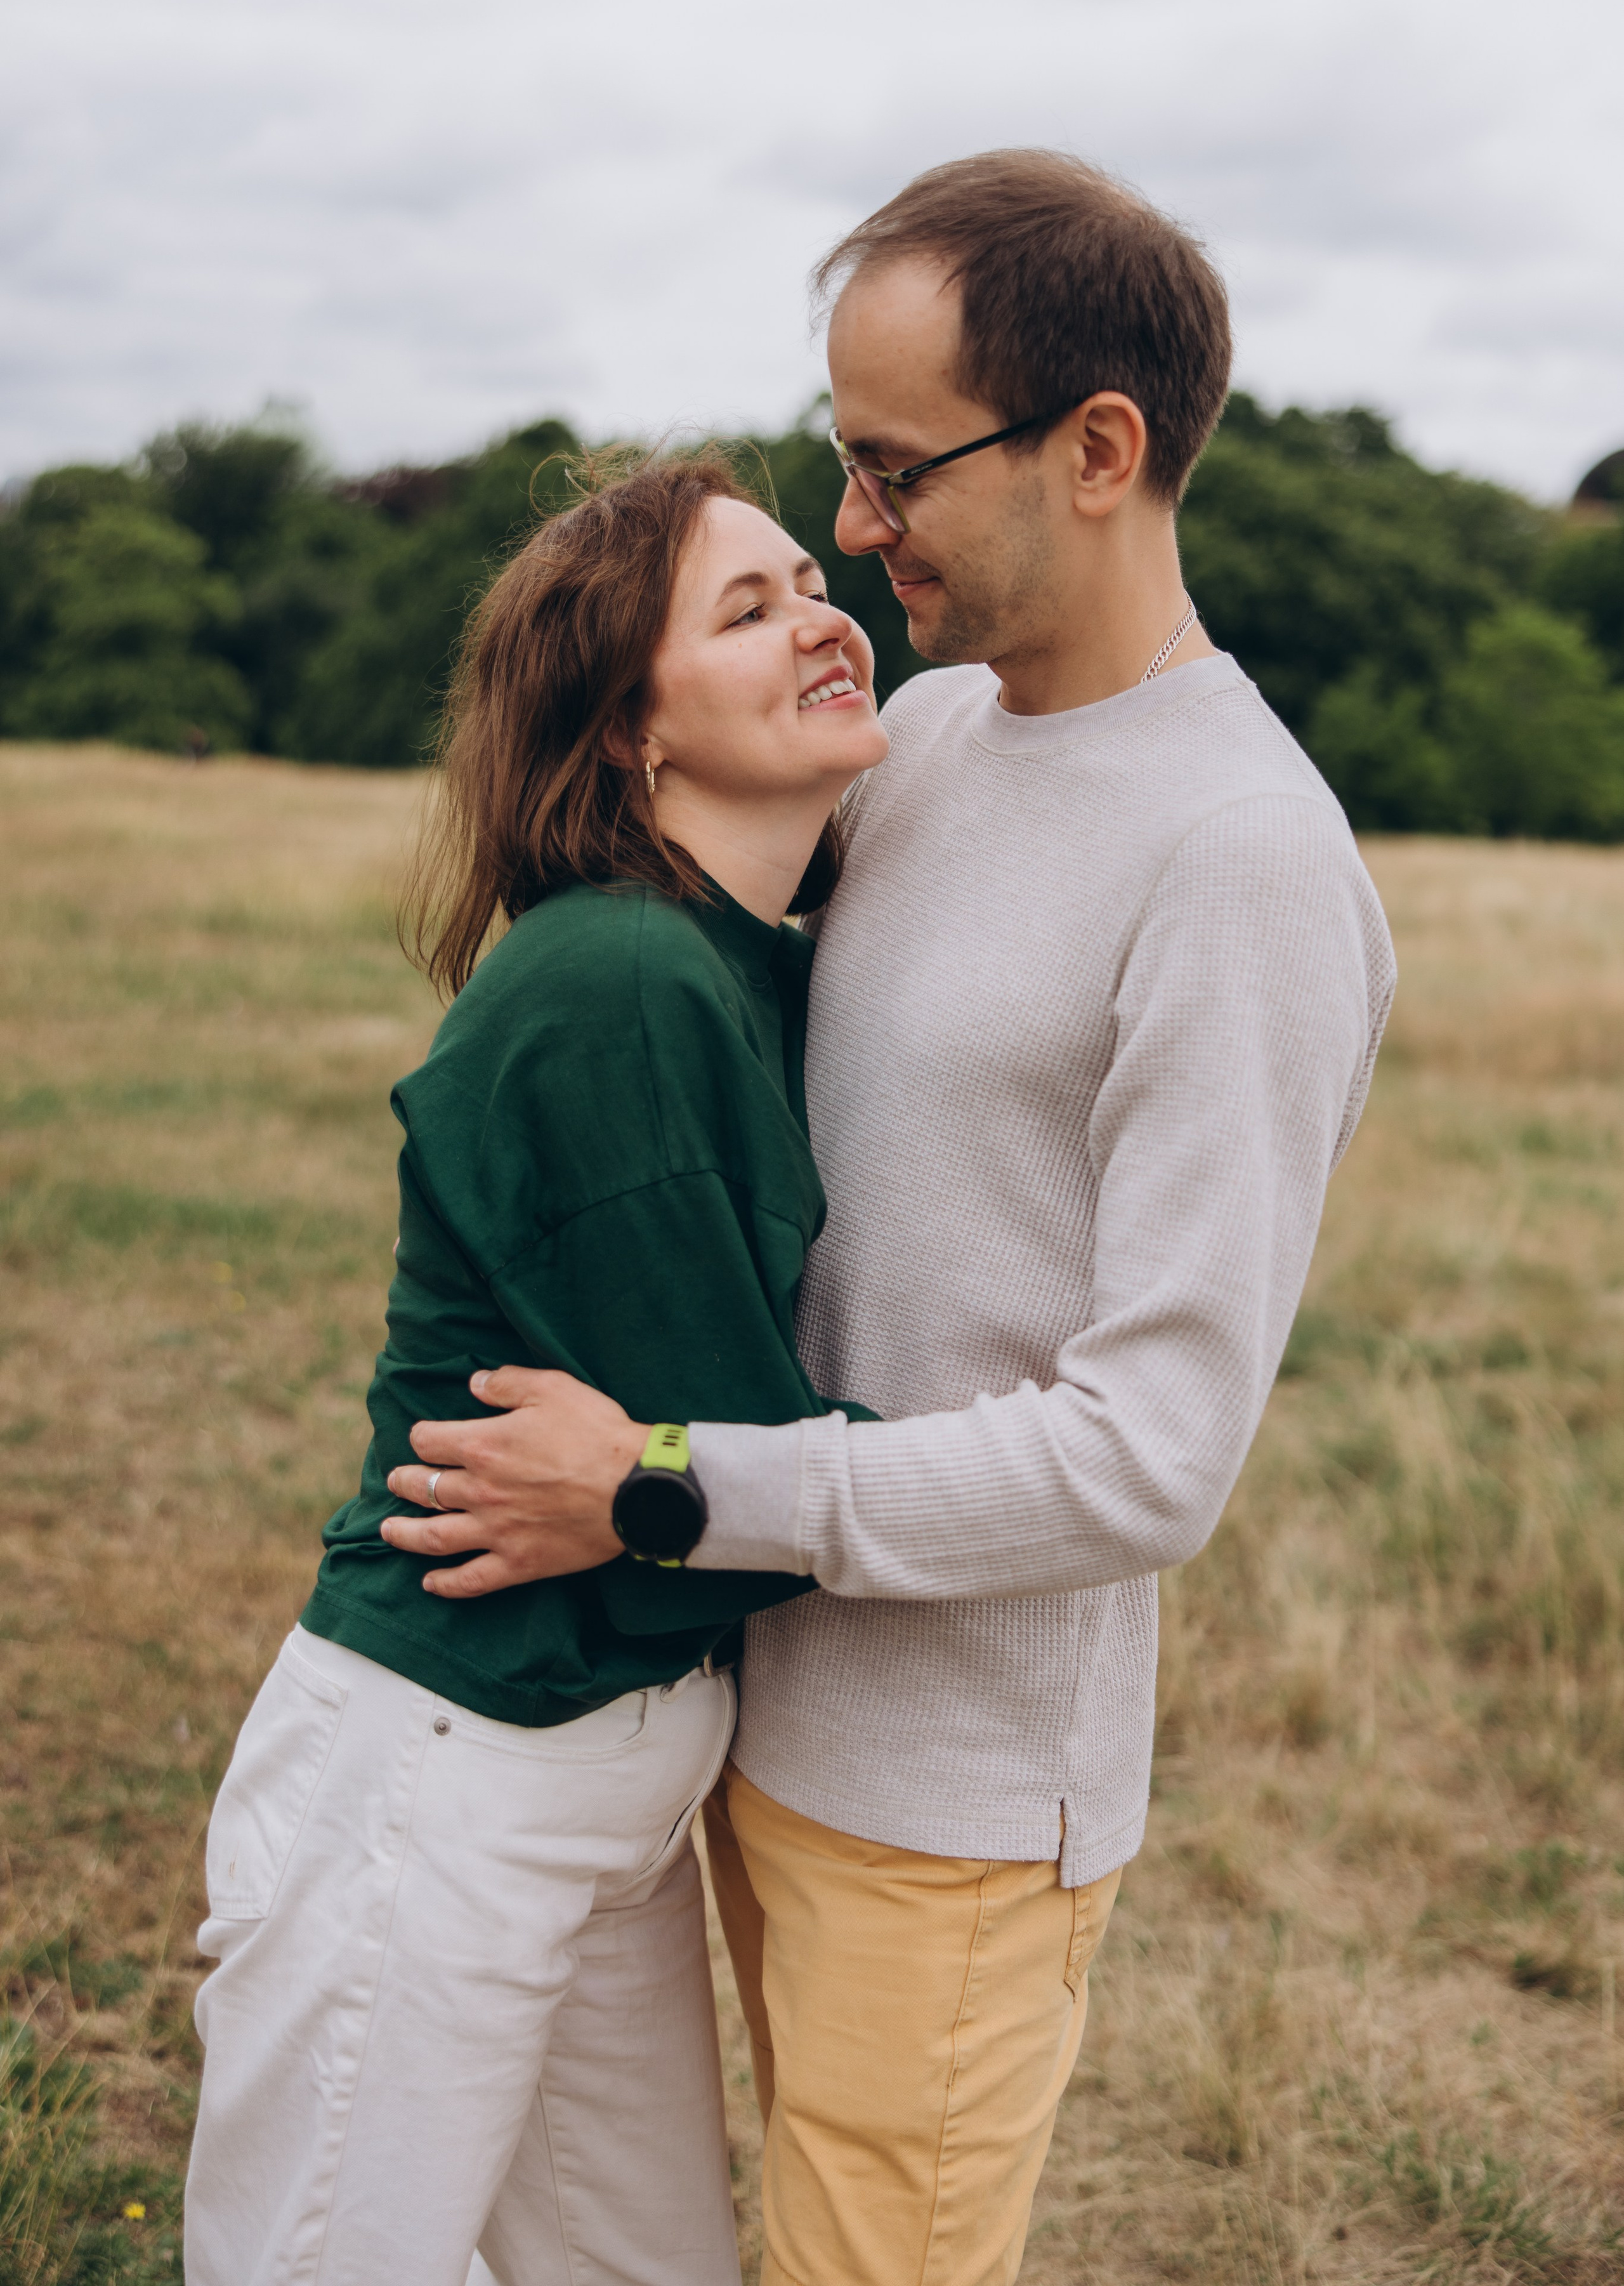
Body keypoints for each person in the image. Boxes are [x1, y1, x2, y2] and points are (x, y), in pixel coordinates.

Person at [383, 151, 1399, 2286]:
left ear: (1099, 452)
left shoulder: (1244, 861)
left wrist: (664, 1492)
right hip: (739, 1717)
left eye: (891, 468)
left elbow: (1151, 1457)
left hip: (945, 1802)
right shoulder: (921, 744)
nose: (853, 527)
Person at [183, 450, 889, 2286]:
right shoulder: (622, 986)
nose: (822, 615)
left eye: (809, 576)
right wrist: (1047, 1466)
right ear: (630, 732)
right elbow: (759, 1470)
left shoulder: (749, 962)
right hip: (447, 1776)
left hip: (604, 1786)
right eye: (745, 608)